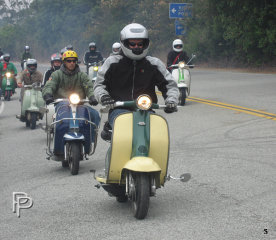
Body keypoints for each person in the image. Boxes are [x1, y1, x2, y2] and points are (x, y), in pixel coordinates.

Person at [93, 23, 179, 139]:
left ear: (146, 44)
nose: (137, 47)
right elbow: (99, 85)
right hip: (119, 109)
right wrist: (104, 97)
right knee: (124, 134)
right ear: (124, 43)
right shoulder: (112, 62)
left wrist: (171, 100)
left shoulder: (154, 64)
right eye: (132, 44)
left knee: (158, 134)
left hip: (146, 109)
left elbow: (170, 85)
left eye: (140, 44)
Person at [42, 50, 100, 141]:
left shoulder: (82, 75)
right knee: (60, 123)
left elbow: (89, 87)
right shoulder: (56, 74)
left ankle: (90, 141)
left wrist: (92, 97)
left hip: (79, 105)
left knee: (95, 115)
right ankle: (58, 144)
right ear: (64, 62)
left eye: (74, 61)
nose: (72, 63)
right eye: (69, 61)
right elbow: (50, 85)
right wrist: (48, 95)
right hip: (62, 105)